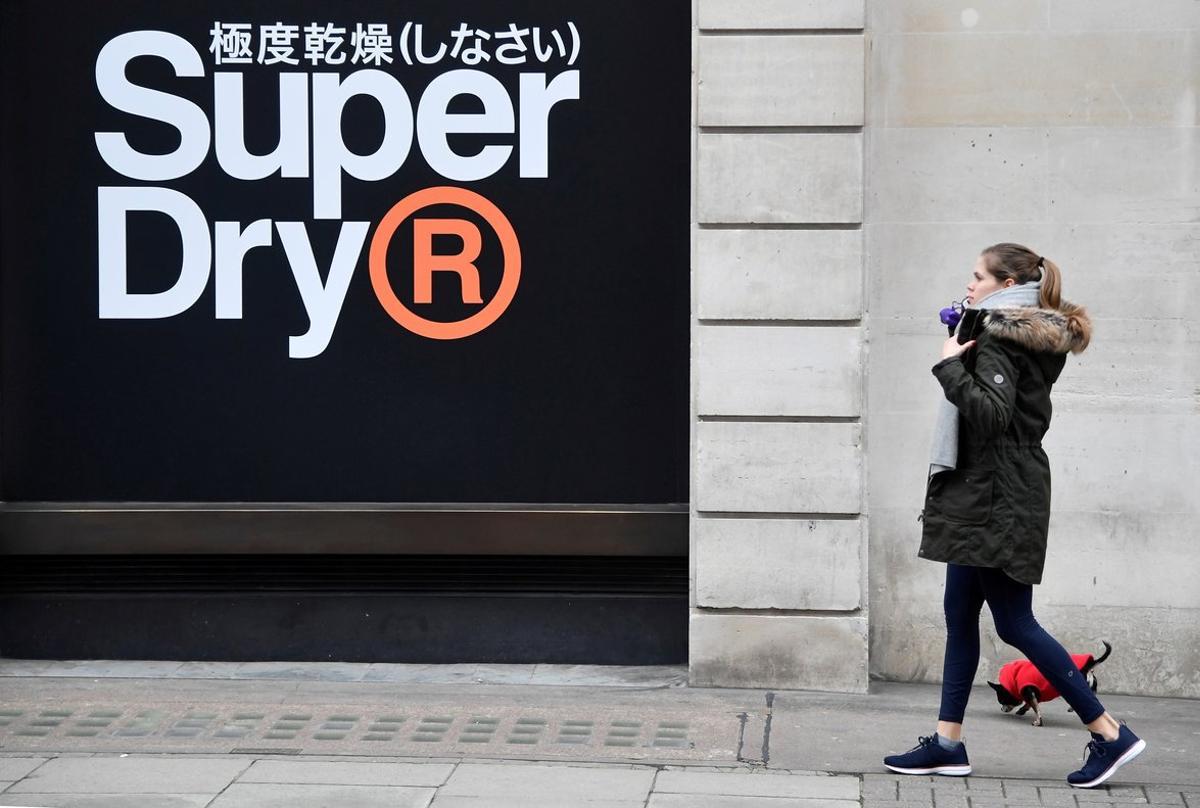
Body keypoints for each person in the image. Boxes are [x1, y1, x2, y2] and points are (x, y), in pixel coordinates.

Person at [882, 243, 1146, 788]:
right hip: (987, 491)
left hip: (996, 495)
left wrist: (950, 365)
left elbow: (993, 417)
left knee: (1013, 622)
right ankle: (947, 745)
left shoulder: (1000, 336)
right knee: (960, 613)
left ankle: (1108, 732)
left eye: (978, 276)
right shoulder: (1012, 330)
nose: (970, 283)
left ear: (1007, 285)